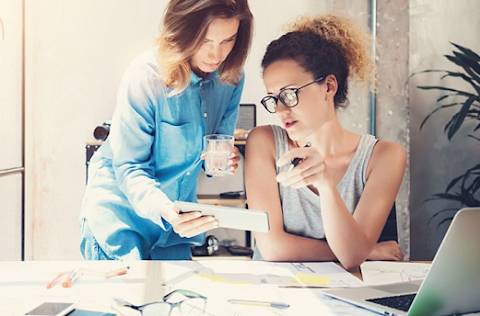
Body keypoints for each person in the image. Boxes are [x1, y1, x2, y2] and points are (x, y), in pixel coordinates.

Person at [80, 0, 253, 260]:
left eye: (228, 40)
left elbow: (212, 154)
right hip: (121, 218)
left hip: (174, 227)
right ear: (182, 30)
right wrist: (165, 210)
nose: (215, 54)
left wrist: (221, 161)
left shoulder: (231, 78)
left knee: (184, 299)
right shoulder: (146, 77)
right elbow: (130, 168)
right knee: (124, 299)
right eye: (205, 40)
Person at [245, 15, 405, 269]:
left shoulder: (384, 156)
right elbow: (272, 248)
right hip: (273, 292)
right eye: (273, 98)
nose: (280, 109)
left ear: (328, 87)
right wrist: (367, 251)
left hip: (344, 295)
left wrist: (326, 185)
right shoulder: (264, 142)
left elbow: (352, 257)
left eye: (288, 94)